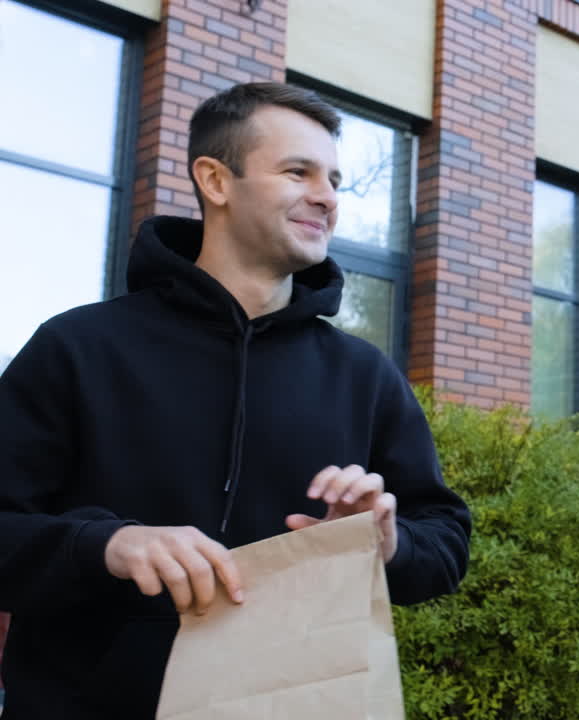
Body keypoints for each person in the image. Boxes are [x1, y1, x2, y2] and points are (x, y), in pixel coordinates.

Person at [0, 83, 472, 719]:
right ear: (216, 180)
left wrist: (384, 541)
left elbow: (444, 542)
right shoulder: (77, 348)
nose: (328, 197)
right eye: (298, 172)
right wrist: (105, 546)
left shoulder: (364, 374)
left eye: (333, 179)